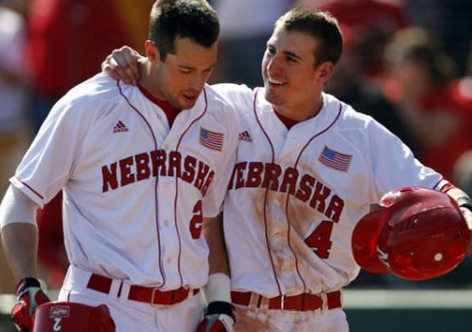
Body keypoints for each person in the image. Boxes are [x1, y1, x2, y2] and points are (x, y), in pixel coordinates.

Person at [103, 7, 472, 332]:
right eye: (271, 50)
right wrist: (133, 62)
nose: (273, 66)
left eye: (291, 58)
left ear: (323, 71)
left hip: (320, 316)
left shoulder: (359, 135)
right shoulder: (227, 107)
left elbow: (439, 190)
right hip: (242, 314)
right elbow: (167, 80)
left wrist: (464, 212)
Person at [0, 1, 240, 331]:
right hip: (102, 306)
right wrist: (27, 283)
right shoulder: (90, 104)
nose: (196, 84)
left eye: (206, 70)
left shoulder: (219, 115)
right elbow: (21, 197)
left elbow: (209, 220)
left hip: (185, 312)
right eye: (185, 70)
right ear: (151, 52)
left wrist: (219, 302)